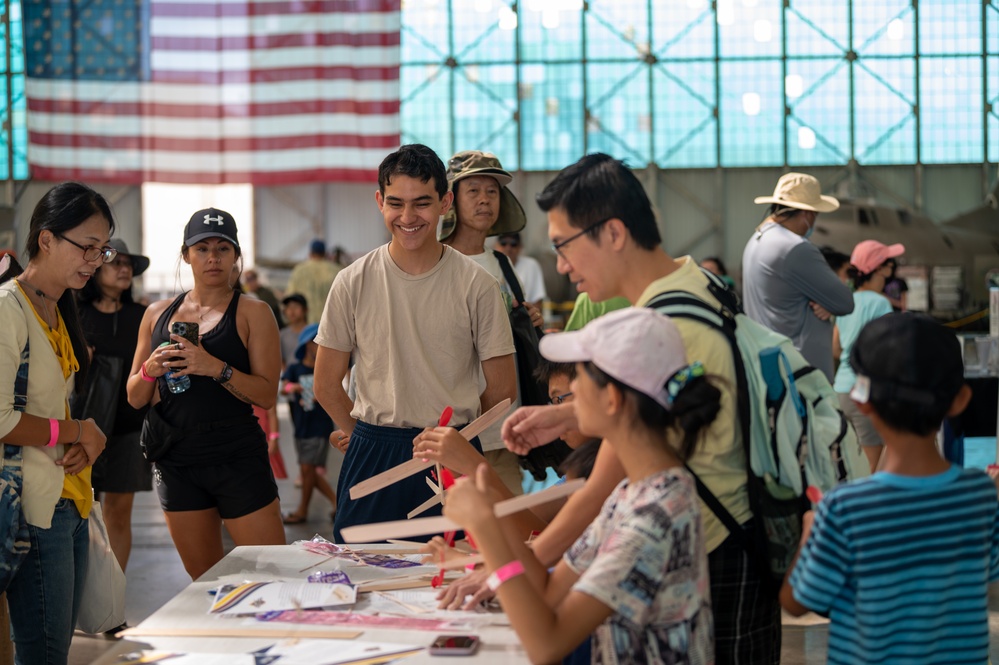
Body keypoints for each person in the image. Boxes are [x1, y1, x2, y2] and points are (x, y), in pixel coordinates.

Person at [498, 153, 780, 664]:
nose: (561, 264)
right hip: (726, 543)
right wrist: (566, 414)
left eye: (564, 245)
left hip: (716, 564)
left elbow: (604, 481)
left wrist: (521, 564)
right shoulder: (693, 287)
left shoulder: (669, 323)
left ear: (612, 233)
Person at [445, 308, 718, 664]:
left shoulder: (653, 517)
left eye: (582, 377)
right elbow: (545, 590)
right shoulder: (634, 492)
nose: (572, 389)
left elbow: (546, 644)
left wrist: (487, 524)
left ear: (613, 399)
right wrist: (492, 512)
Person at [313, 144, 516, 543]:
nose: (407, 217)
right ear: (379, 202)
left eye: (421, 204)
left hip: (451, 448)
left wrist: (463, 443)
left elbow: (503, 390)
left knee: (455, 581)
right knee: (362, 573)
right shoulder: (352, 281)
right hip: (374, 448)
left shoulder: (477, 284)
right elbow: (325, 383)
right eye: (396, 204)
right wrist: (359, 436)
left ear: (444, 203)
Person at [780, 312, 999, 665]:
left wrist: (807, 539)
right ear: (959, 400)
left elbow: (797, 601)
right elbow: (988, 571)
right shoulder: (979, 495)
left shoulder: (845, 508)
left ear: (862, 402)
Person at [126, 208, 285, 580]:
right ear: (186, 254)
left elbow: (266, 395)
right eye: (202, 249)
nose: (212, 258)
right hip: (177, 461)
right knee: (206, 583)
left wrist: (214, 367)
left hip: (237, 457)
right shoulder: (156, 314)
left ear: (236, 255)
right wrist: (151, 370)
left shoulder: (253, 313)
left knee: (275, 579)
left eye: (222, 248)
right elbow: (134, 397)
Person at [0, 181, 110, 664]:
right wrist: (78, 431)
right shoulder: (9, 307)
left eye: (101, 250)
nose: (94, 259)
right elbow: (1, 419)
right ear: (46, 239)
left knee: (55, 650)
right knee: (44, 654)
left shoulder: (55, 307)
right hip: (31, 507)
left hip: (67, 500)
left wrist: (87, 439)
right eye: (87, 246)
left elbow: (50, 407)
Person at [438, 150, 542, 495]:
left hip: (502, 432)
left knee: (514, 533)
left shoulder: (504, 264)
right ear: (451, 200)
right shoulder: (434, 262)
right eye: (474, 190)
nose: (485, 200)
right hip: (450, 435)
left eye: (493, 191)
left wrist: (529, 322)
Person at [76, 238, 151, 573]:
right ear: (95, 269)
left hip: (129, 427)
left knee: (119, 513)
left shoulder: (142, 315)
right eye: (116, 263)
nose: (124, 270)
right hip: (79, 429)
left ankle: (112, 593)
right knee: (77, 511)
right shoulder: (74, 313)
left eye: (129, 265)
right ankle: (80, 592)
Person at [742, 172, 854, 381]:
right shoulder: (795, 248)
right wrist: (827, 302)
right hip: (801, 374)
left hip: (768, 363)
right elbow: (845, 302)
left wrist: (826, 302)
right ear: (807, 214)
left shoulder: (756, 240)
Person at [833, 240, 904, 472]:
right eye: (888, 261)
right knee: (872, 466)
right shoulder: (881, 303)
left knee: (851, 464)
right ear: (880, 268)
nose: (892, 266)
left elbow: (836, 348)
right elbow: (887, 351)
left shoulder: (845, 301)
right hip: (865, 391)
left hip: (841, 389)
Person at [281, 323, 337, 524]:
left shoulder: (326, 370)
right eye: (316, 342)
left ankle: (302, 510)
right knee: (308, 470)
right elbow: (283, 388)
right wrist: (293, 388)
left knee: (307, 469)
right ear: (307, 344)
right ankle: (337, 503)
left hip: (319, 426)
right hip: (301, 427)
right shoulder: (296, 368)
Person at [286, 239, 342, 325]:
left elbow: (290, 296)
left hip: (307, 324)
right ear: (325, 253)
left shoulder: (299, 271)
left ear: (310, 253)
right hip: (331, 323)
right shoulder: (336, 270)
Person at [494, 232, 547, 308]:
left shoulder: (531, 265)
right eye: (503, 243)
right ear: (495, 245)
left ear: (520, 247)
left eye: (513, 244)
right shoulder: (490, 266)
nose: (508, 248)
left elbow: (537, 301)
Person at [279, 293, 309, 369]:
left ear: (305, 310)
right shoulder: (282, 335)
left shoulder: (313, 333)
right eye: (288, 307)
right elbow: (280, 359)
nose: (291, 311)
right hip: (289, 378)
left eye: (295, 307)